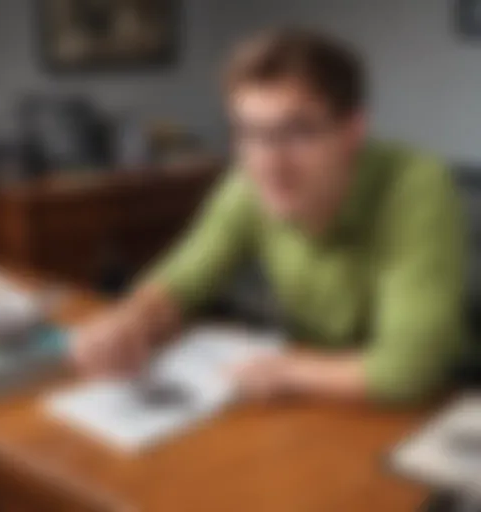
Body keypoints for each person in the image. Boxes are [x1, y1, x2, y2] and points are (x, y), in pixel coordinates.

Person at [73, 28, 464, 404]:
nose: (268, 162)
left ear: (352, 132)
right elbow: (183, 278)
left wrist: (286, 372)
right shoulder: (248, 184)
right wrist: (129, 319)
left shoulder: (416, 185)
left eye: (297, 131)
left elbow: (412, 369)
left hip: (431, 405)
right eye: (250, 132)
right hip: (320, 398)